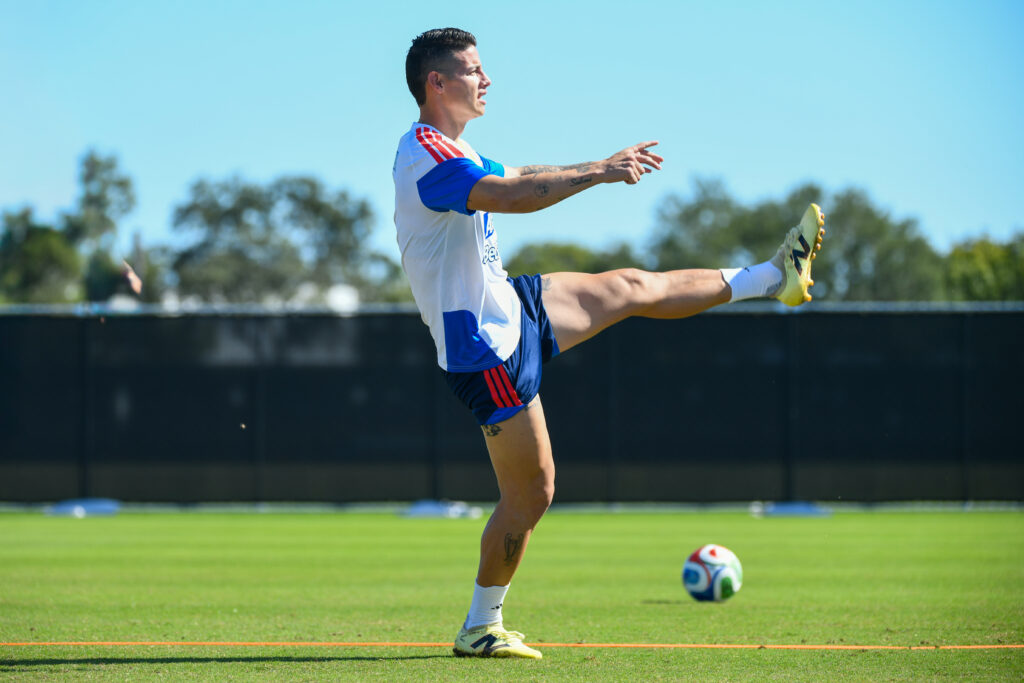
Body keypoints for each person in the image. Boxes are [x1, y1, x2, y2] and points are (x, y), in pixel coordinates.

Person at [393, 28, 825, 659]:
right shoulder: (425, 154)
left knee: (630, 286)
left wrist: (600, 162)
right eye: (473, 70)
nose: (486, 80)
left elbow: (522, 174)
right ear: (437, 83)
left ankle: (772, 276)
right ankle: (481, 625)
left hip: (511, 307)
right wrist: (599, 173)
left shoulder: (454, 147)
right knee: (532, 494)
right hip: (483, 350)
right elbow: (512, 197)